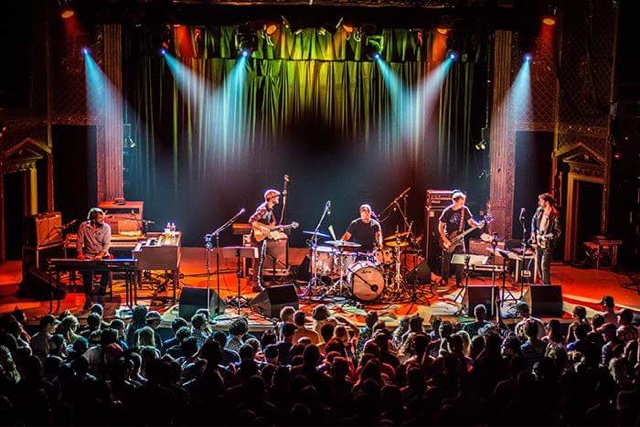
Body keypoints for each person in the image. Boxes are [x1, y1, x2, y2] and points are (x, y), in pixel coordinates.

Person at [438, 190, 484, 287]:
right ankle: (444, 279)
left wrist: (478, 225)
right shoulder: (447, 211)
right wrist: (445, 239)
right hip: (448, 238)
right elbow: (440, 226)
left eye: (463, 202)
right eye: (461, 202)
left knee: (461, 260)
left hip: (460, 238)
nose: (462, 204)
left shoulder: (465, 210)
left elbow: (471, 222)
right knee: (446, 260)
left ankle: (459, 280)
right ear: (454, 201)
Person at [249, 189, 286, 291]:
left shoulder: (270, 210)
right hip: (257, 238)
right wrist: (262, 229)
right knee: (258, 261)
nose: (278, 198)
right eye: (276, 196)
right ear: (271, 198)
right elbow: (252, 220)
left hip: (262, 238)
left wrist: (274, 228)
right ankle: (256, 285)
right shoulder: (263, 209)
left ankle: (260, 281)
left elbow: (269, 225)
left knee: (261, 259)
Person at [76, 207, 112, 309]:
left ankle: (101, 296)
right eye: (100, 218)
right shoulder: (83, 226)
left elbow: (106, 244)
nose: (102, 220)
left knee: (105, 272)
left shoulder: (106, 228)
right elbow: (79, 242)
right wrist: (80, 253)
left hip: (103, 255)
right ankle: (88, 297)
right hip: (89, 255)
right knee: (86, 273)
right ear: (93, 219)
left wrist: (100, 255)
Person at [530, 192, 561, 285]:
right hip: (538, 243)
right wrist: (533, 232)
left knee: (544, 265)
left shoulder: (555, 215)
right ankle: (543, 284)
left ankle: (547, 287)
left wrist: (546, 237)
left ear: (547, 202)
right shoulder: (539, 210)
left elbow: (558, 232)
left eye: (541, 201)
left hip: (548, 244)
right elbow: (533, 220)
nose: (539, 202)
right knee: (539, 265)